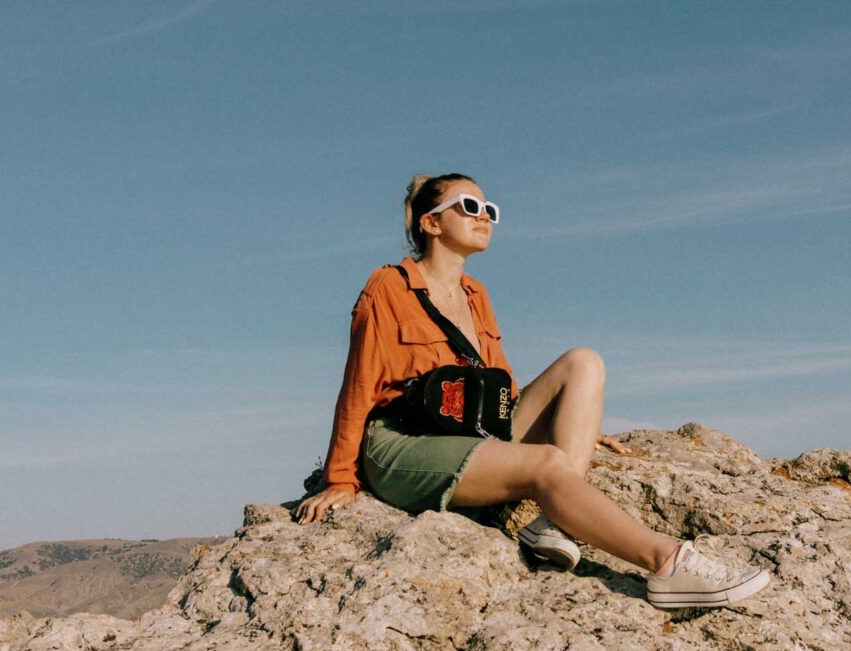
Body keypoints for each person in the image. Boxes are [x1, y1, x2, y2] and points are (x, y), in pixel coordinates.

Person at [295, 173, 770, 608]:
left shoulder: (476, 295)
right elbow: (358, 385)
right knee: (547, 464)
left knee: (584, 362)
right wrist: (340, 479)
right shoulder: (389, 287)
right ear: (431, 223)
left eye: (489, 209)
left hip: (473, 430)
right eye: (469, 207)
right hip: (405, 444)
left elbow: (500, 382)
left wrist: (573, 420)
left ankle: (553, 524)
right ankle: (666, 564)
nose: (484, 217)